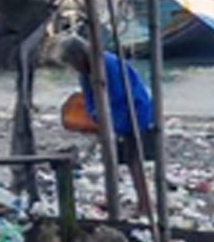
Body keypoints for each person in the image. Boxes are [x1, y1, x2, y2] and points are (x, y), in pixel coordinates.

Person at [57, 35, 156, 216]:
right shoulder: (86, 72)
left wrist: (111, 125)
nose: (73, 67)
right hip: (113, 117)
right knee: (119, 160)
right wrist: (95, 118)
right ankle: (124, 201)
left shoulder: (106, 65)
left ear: (79, 56)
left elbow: (118, 97)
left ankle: (145, 205)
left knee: (135, 161)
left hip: (135, 112)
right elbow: (89, 99)